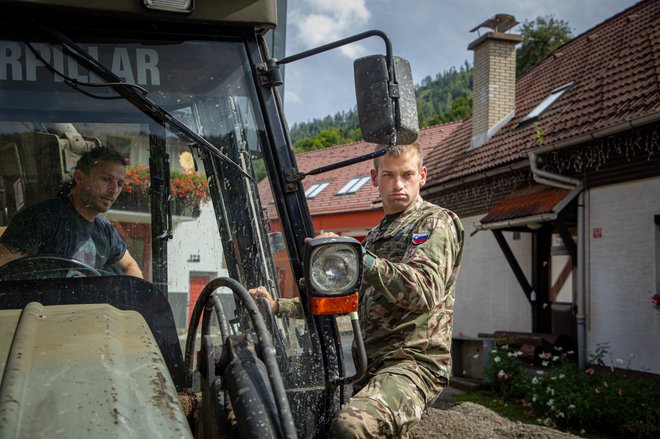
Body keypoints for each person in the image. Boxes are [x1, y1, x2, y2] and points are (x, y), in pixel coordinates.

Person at [250, 141, 464, 438]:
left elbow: (423, 291)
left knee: (350, 428)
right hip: (372, 367)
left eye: (407, 175)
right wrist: (277, 306)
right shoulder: (379, 234)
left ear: (423, 175)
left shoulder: (435, 222)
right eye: (388, 175)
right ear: (374, 179)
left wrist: (358, 256)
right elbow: (341, 297)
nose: (398, 184)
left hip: (413, 364)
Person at [0, 146, 143, 278]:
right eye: (106, 179)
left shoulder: (106, 230)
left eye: (119, 184)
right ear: (80, 177)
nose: (114, 190)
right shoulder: (42, 219)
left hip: (91, 305)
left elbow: (131, 265)